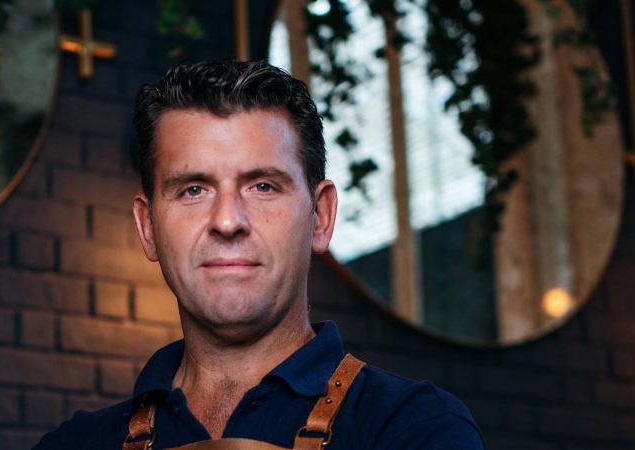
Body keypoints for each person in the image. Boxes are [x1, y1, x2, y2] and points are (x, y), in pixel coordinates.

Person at [33, 60, 484, 450]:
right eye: (193, 189)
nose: (228, 221)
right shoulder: (74, 444)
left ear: (321, 217)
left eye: (263, 186)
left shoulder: (414, 427)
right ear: (148, 227)